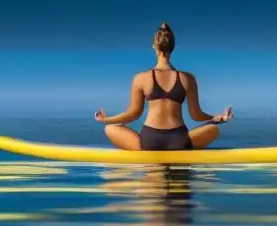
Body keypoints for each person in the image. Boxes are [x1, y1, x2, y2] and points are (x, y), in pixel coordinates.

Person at [94, 22, 233, 151]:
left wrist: (105, 120)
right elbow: (196, 116)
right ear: (173, 47)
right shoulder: (187, 79)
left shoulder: (141, 78)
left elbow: (133, 114)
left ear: (154, 46)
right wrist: (216, 118)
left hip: (150, 140)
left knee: (110, 128)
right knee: (214, 130)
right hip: (178, 139)